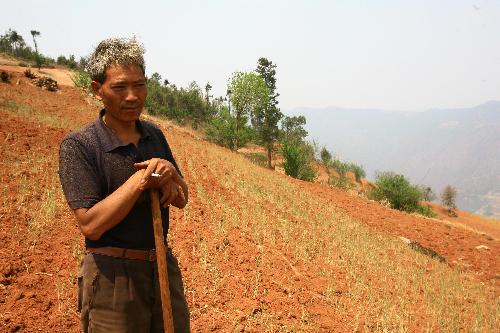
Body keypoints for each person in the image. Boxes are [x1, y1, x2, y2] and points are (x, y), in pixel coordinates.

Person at [58, 37, 190, 333]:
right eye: (119, 87)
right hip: (111, 278)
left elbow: (181, 198)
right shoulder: (80, 146)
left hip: (162, 269)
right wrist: (141, 181)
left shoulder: (153, 135)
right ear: (97, 89)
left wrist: (170, 172)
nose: (132, 96)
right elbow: (91, 225)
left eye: (139, 85)